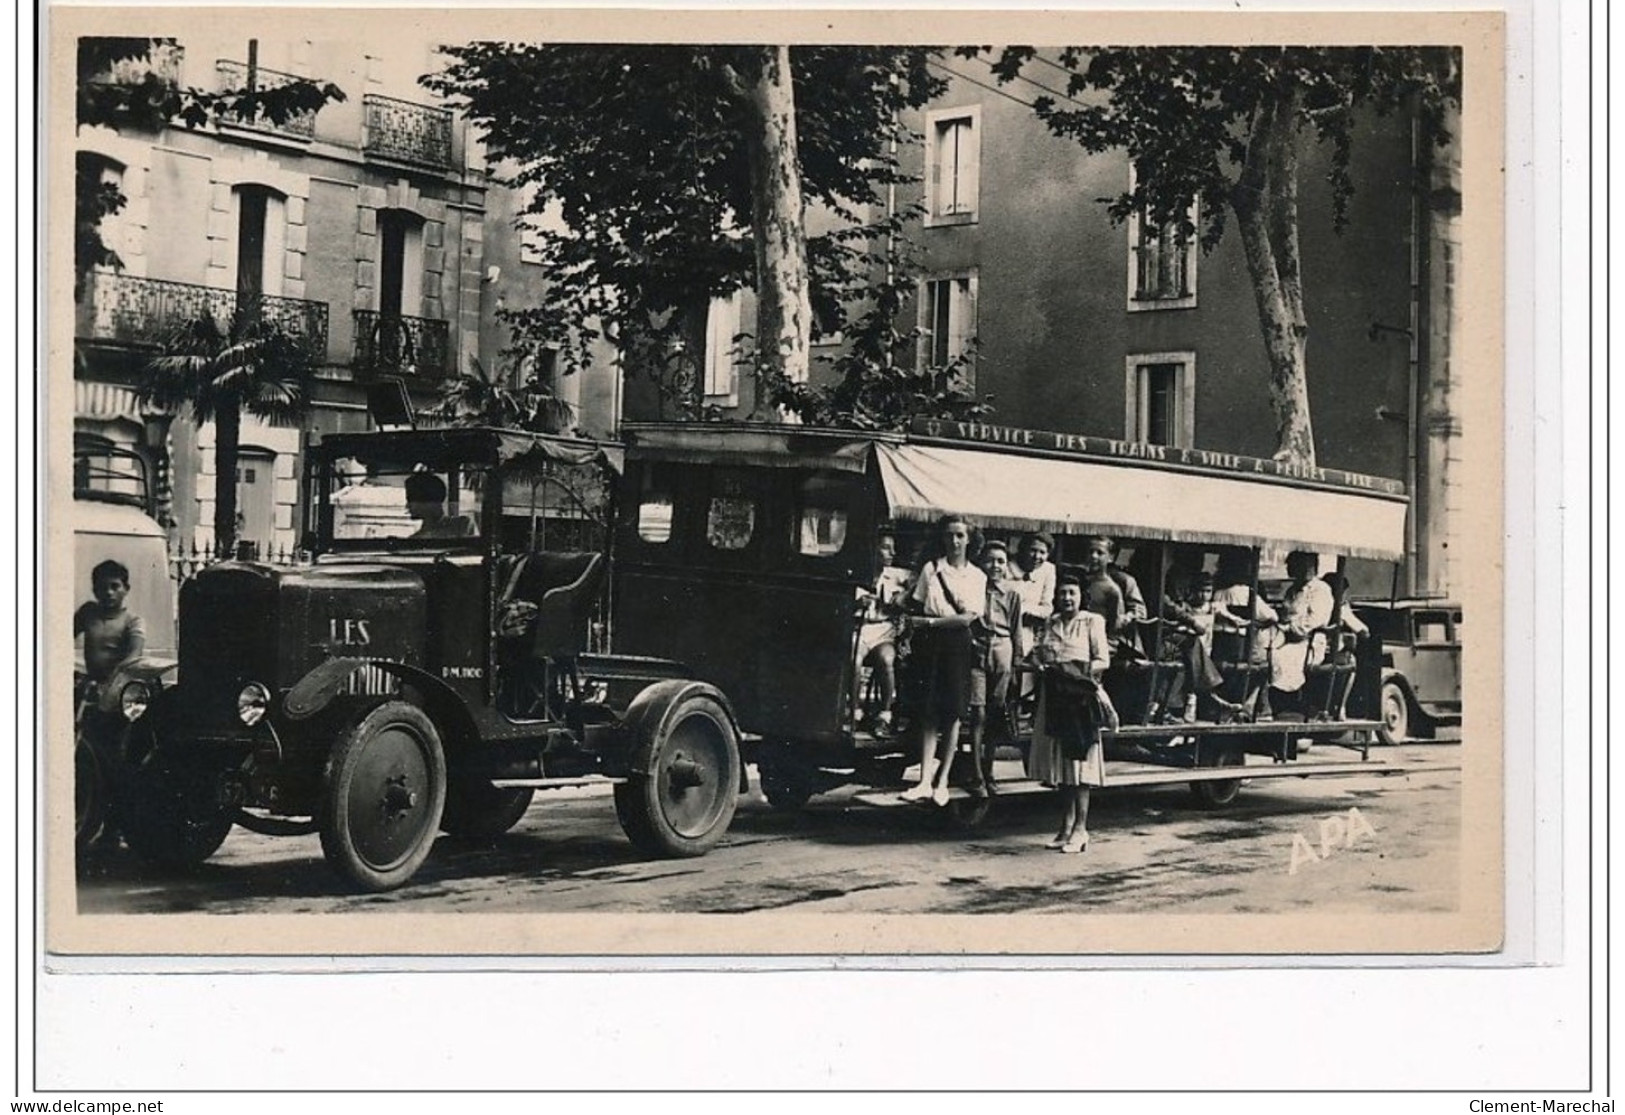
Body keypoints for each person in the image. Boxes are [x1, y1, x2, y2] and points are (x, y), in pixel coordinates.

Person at [899, 514, 987, 807]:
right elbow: (921, 603)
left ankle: (943, 781)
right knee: (928, 712)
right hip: (929, 645)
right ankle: (924, 780)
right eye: (950, 535)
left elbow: (967, 618)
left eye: (960, 535)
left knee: (952, 713)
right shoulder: (931, 569)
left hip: (955, 645)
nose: (954, 541)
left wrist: (931, 623)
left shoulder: (977, 576)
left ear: (969, 540)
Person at [1025, 573, 1111, 853]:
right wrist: (1041, 665)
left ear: (1080, 596)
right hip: (1055, 699)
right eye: (1062, 593)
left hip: (1080, 699)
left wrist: (1075, 672)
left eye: (1072, 593)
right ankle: (1065, 827)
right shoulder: (1051, 623)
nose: (1067, 598)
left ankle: (1081, 829)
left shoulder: (1091, 622)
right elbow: (1038, 653)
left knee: (1080, 765)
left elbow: (1102, 660)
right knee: (1063, 767)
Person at [965, 540, 1024, 797]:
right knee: (977, 712)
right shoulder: (973, 588)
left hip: (1003, 650)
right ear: (981, 563)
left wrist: (1015, 666)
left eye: (1000, 561)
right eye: (990, 560)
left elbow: (1016, 630)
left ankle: (989, 770)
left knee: (995, 713)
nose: (995, 566)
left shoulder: (1012, 594)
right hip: (977, 650)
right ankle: (976, 773)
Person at [854, 529, 914, 737]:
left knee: (887, 660)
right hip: (861, 628)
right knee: (855, 660)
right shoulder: (858, 573)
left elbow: (916, 587)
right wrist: (856, 603)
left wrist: (901, 598)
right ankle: (855, 710)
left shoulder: (897, 575)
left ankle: (885, 714)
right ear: (873, 549)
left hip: (884, 630)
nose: (891, 553)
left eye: (893, 548)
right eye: (886, 548)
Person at [1268, 550, 1335, 714]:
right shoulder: (1293, 590)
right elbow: (1286, 614)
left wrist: (1291, 628)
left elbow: (1315, 620)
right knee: (1265, 650)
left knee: (1280, 656)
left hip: (1308, 641)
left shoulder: (1321, 590)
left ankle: (1286, 701)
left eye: (1304, 565)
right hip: (1286, 636)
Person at [75, 559, 146, 687]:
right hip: (90, 685)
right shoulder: (87, 612)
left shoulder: (133, 621)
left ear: (126, 589)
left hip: (119, 686)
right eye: (102, 587)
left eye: (115, 586)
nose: (109, 592)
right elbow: (61, 639)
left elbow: (135, 654)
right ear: (95, 591)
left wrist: (115, 680)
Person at [405, 472, 474, 539]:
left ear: (430, 501)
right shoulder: (415, 539)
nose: (407, 506)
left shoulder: (461, 525)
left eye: (410, 500)